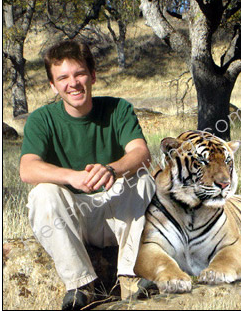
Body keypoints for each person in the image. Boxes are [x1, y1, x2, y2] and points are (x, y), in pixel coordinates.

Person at [19, 40, 155, 310]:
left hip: (116, 211)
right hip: (73, 217)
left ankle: (130, 276)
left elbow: (141, 153)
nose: (73, 83)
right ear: (52, 85)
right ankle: (80, 284)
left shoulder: (118, 109)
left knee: (143, 180)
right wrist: (71, 177)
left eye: (79, 74)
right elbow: (27, 168)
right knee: (42, 193)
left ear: (92, 76)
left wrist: (111, 169)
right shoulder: (41, 119)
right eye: (63, 78)